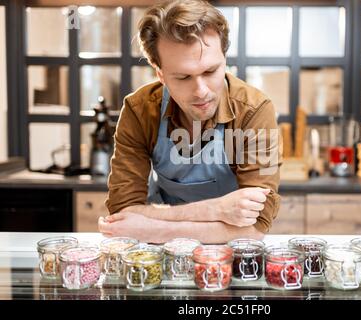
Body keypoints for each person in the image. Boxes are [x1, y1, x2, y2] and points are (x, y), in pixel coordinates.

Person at [98, 0, 282, 244]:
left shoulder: (257, 112)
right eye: (183, 77)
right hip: (162, 257)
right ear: (160, 74)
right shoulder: (139, 111)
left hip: (230, 254)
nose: (201, 91)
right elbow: (123, 213)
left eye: (210, 71)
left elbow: (258, 226)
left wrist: (153, 229)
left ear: (224, 59)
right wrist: (217, 209)